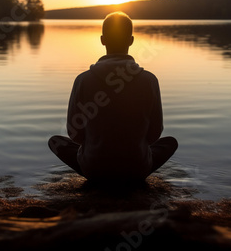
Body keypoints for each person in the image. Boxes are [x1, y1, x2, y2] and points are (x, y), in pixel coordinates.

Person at [48, 11, 178, 183]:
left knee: (55, 141)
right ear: (131, 41)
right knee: (170, 143)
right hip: (136, 169)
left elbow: (75, 135)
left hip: (94, 169)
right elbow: (154, 135)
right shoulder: (149, 80)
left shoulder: (83, 80)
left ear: (102, 40)